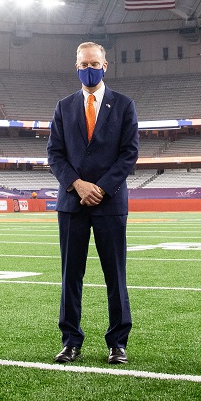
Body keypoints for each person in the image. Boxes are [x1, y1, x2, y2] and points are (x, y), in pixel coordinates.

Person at [46, 41, 139, 365]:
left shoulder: (124, 105)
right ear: (77, 68)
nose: (89, 69)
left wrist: (101, 187)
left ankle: (118, 342)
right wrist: (77, 184)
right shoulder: (64, 106)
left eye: (94, 63)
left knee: (116, 275)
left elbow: (130, 153)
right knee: (71, 275)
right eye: (84, 65)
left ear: (105, 65)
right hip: (72, 203)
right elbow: (54, 154)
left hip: (109, 202)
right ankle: (71, 341)